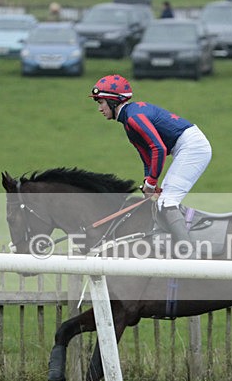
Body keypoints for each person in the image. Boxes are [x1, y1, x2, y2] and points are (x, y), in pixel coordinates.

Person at [89, 74, 212, 258]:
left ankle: (189, 254)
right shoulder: (128, 120)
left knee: (167, 202)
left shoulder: (133, 118)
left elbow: (158, 148)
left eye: (101, 102)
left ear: (114, 102)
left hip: (192, 147)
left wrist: (152, 182)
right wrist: (149, 182)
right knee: (164, 201)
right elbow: (146, 155)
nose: (100, 108)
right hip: (186, 146)